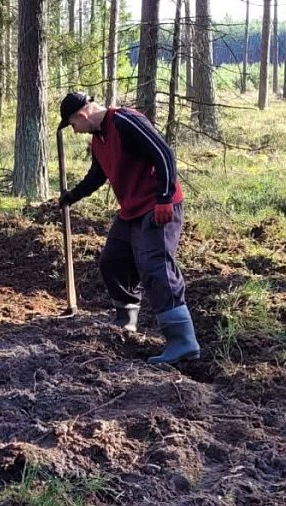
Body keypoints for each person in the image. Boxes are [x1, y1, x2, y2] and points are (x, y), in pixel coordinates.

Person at [57, 92, 199, 365]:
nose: (74, 131)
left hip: (157, 205)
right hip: (132, 209)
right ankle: (127, 320)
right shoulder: (98, 140)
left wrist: (165, 198)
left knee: (155, 266)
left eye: (73, 124)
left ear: (82, 115)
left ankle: (183, 341)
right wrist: (72, 196)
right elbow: (97, 175)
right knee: (113, 260)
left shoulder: (125, 121)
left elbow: (163, 154)